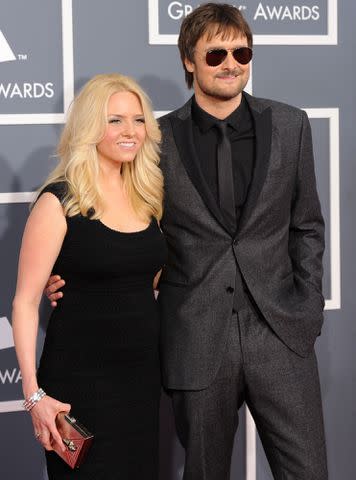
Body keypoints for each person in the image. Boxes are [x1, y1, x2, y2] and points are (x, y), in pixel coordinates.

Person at [46, 3, 328, 479]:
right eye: (216, 54)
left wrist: (306, 307)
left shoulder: (290, 125)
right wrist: (75, 278)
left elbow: (308, 226)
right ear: (188, 60)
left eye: (241, 51)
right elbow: (121, 217)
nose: (232, 63)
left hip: (280, 334)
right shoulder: (156, 140)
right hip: (195, 338)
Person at [12, 73, 167, 479]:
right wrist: (34, 394)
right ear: (88, 127)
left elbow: (141, 278)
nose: (130, 131)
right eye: (114, 120)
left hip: (140, 384)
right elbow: (25, 303)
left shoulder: (147, 197)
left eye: (138, 120)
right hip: (79, 386)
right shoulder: (59, 201)